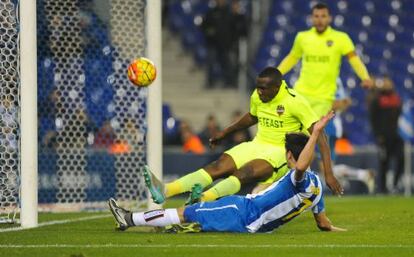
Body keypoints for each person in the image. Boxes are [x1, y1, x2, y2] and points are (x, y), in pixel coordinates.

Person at [108, 111, 346, 233]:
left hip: (244, 213)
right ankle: (194, 220)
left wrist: (315, 134)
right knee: (196, 216)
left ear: (289, 156)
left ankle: (129, 219)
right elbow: (323, 223)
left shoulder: (300, 179)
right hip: (252, 217)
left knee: (185, 212)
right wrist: (343, 231)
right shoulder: (316, 188)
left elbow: (301, 166)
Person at [143, 67, 342, 205]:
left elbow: (320, 136)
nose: (259, 91)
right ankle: (166, 190)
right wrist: (225, 132)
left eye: (264, 88)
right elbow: (251, 117)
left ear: (278, 87)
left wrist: (329, 173)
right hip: (257, 143)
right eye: (257, 87)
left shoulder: (296, 102)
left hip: (281, 152)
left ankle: (203, 200)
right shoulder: (258, 96)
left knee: (244, 173)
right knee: (219, 166)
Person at [277, 2, 374, 119]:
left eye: (323, 16)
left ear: (329, 18)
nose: (319, 20)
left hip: (323, 98)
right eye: (316, 16)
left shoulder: (341, 38)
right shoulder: (302, 37)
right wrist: (277, 73)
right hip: (301, 92)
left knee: (311, 131)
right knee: (290, 129)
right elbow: (292, 58)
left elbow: (354, 60)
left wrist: (365, 77)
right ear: (312, 18)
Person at [368, 76, 404, 194]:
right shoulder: (377, 99)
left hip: (396, 135)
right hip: (383, 136)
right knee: (384, 162)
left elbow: (400, 114)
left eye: (389, 82)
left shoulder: (396, 98)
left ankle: (395, 185)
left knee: (401, 159)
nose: (387, 84)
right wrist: (378, 134)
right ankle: (382, 189)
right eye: (385, 82)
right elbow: (373, 118)